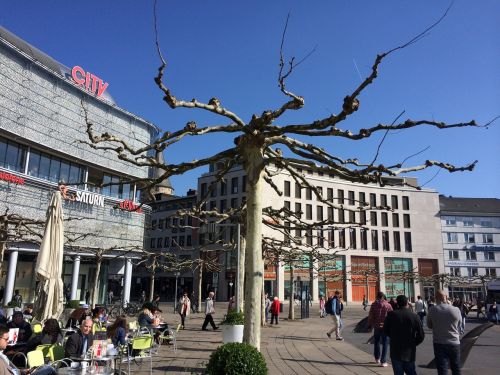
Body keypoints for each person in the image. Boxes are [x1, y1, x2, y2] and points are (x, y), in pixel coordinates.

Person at [384, 295, 425, 375]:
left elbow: (385, 330)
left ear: (397, 304)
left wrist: (393, 336)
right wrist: (414, 343)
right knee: (411, 371)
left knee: (398, 372)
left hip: (395, 349)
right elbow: (421, 335)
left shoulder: (391, 315)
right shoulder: (414, 316)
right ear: (407, 303)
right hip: (409, 350)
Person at [427, 290, 462, 375]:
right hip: (454, 342)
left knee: (442, 368)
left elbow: (429, 325)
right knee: (456, 367)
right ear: (446, 298)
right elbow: (459, 324)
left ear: (436, 298)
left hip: (439, 342)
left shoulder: (432, 310)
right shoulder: (456, 309)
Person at [367, 291, 393, 367]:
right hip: (385, 326)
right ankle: (383, 361)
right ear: (383, 297)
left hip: (376, 326)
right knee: (385, 343)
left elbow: (370, 316)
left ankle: (377, 358)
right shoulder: (388, 305)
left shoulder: (373, 305)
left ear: (377, 297)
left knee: (376, 342)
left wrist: (369, 325)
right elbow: (391, 316)